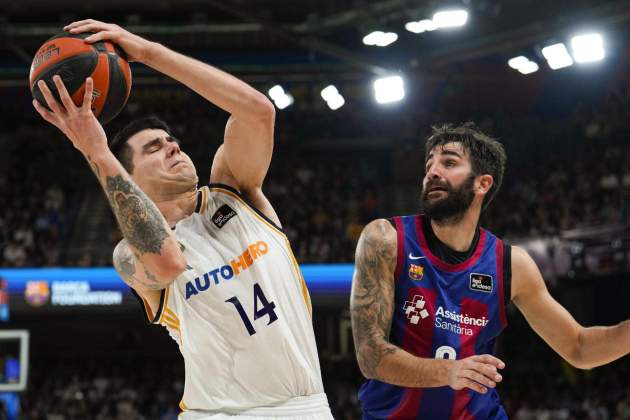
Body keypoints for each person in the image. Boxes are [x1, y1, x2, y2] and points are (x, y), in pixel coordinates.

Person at [33, 19, 332, 419]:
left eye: (172, 140)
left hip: (306, 408)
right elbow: (169, 262)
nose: (172, 146)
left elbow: (259, 111)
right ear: (131, 176)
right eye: (154, 147)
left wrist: (147, 52)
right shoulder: (129, 254)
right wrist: (97, 152)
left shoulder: (234, 190)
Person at [350, 122, 630, 419]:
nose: (432, 172)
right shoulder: (385, 238)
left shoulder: (511, 264)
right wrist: (449, 372)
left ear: (482, 183)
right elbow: (371, 355)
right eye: (429, 163)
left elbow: (579, 348)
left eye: (449, 162)